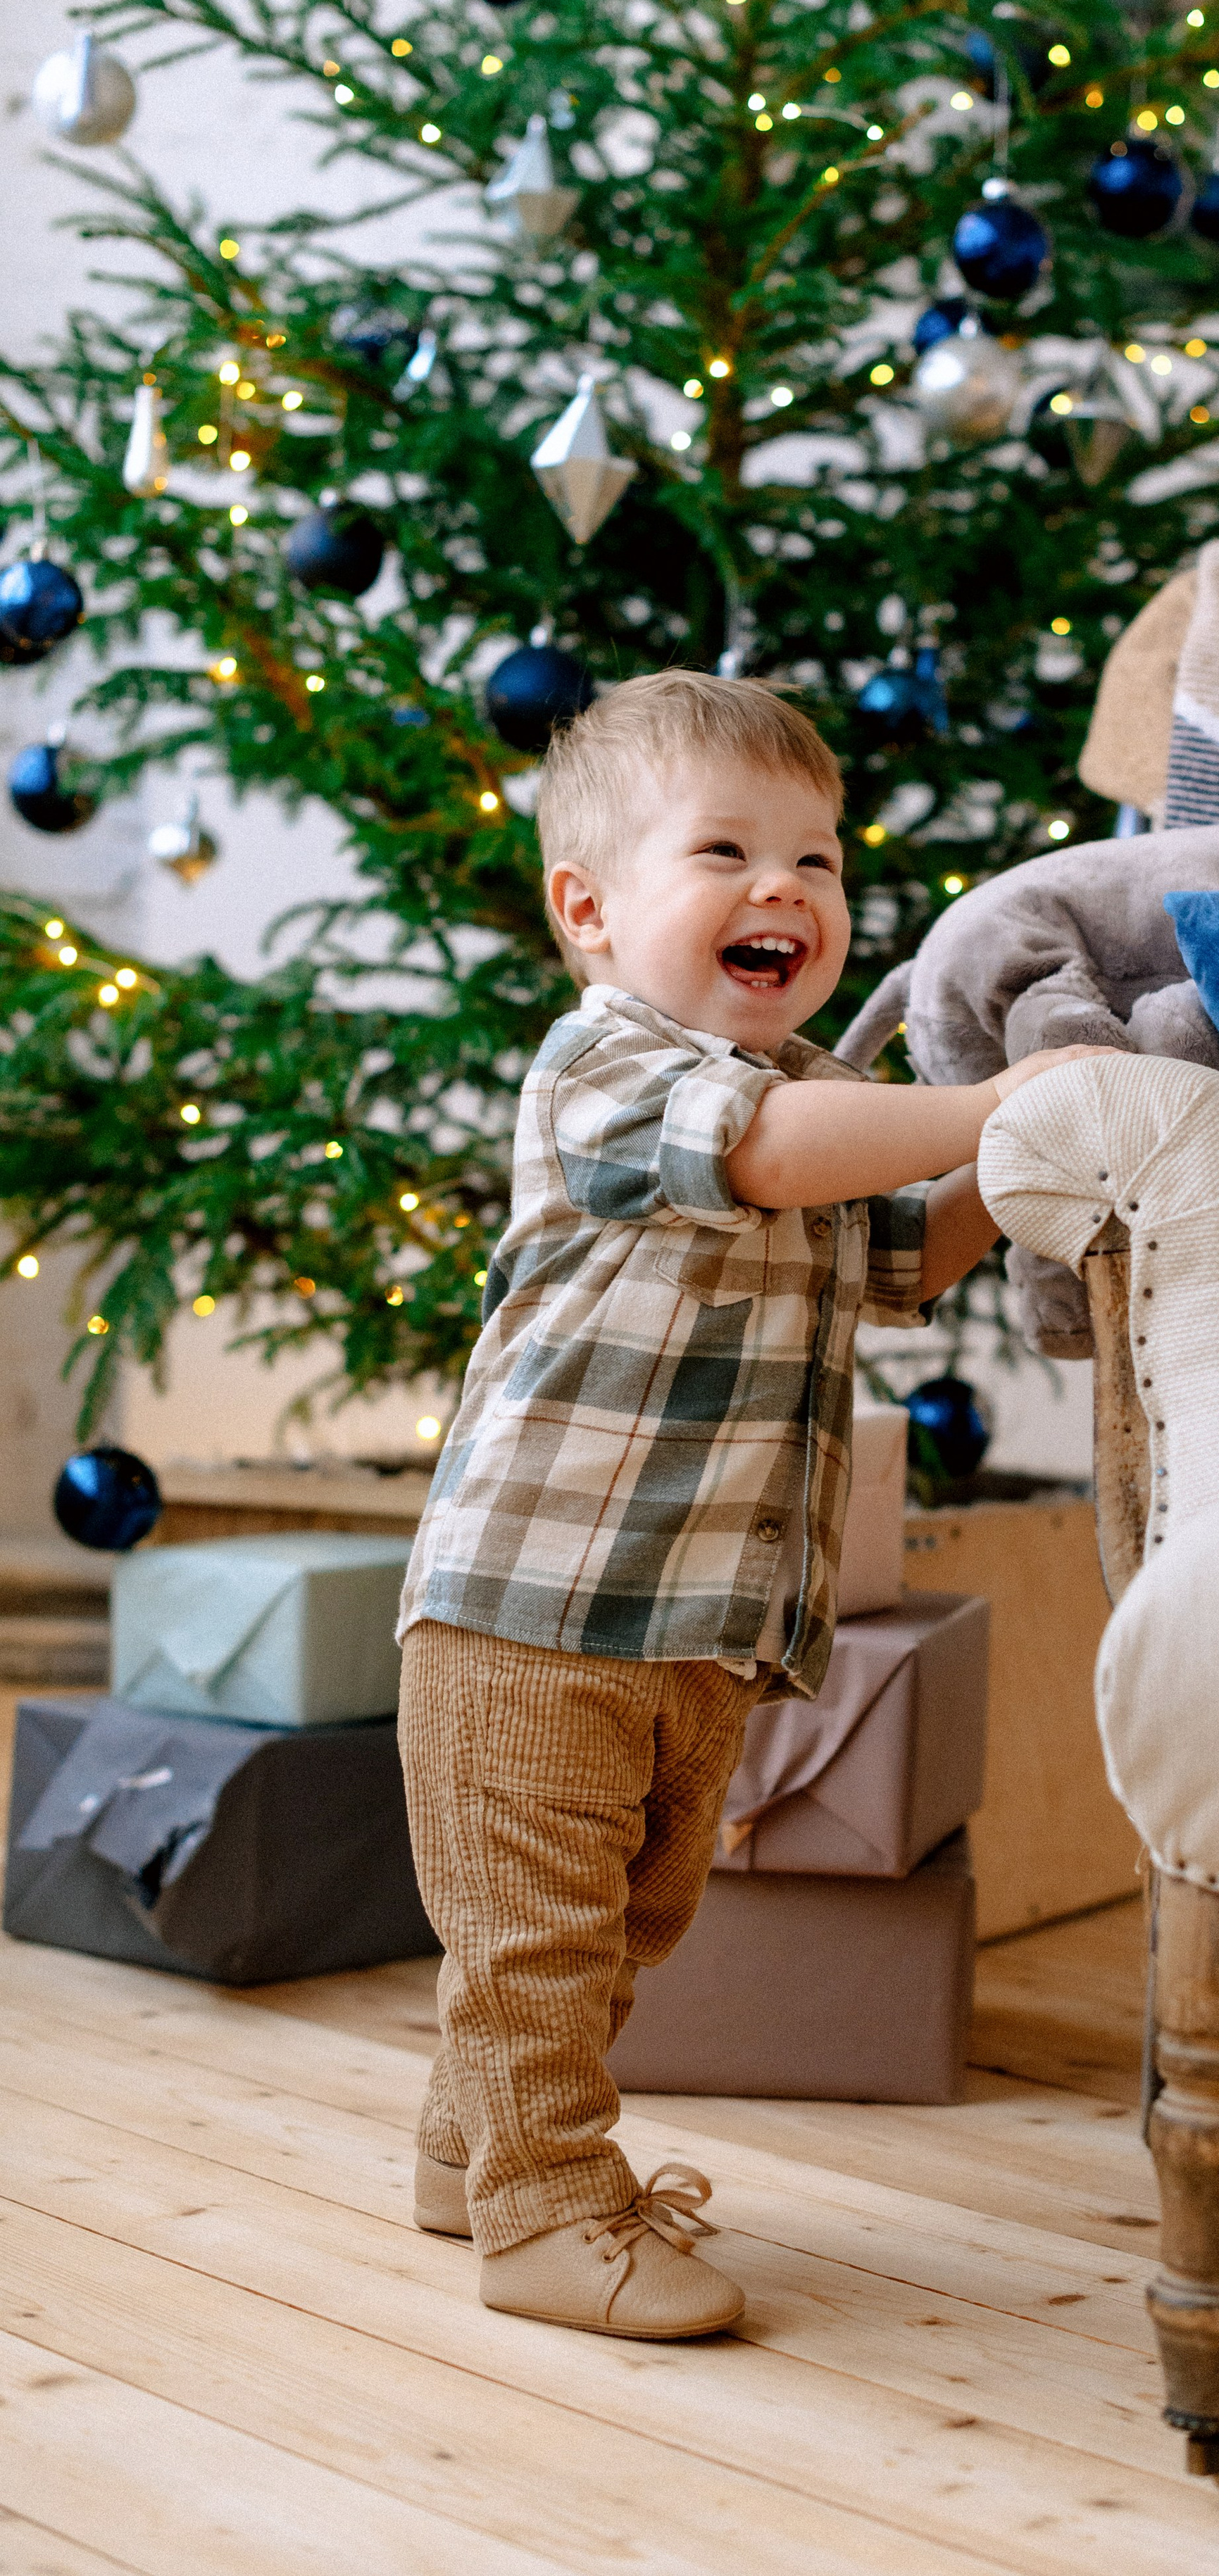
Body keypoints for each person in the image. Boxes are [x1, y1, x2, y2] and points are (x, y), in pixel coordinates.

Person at [396, 668, 1104, 2342]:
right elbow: (779, 1154)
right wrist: (983, 1105)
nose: (785, 887)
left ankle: (469, 2144)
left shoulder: (783, 1093)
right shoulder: (614, 1072)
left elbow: (898, 1250)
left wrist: (1021, 1163)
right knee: (537, 1935)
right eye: (725, 849)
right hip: (532, 1613)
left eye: (820, 858)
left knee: (627, 1918)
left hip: (695, 1629)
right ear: (589, 910)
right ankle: (548, 2212)